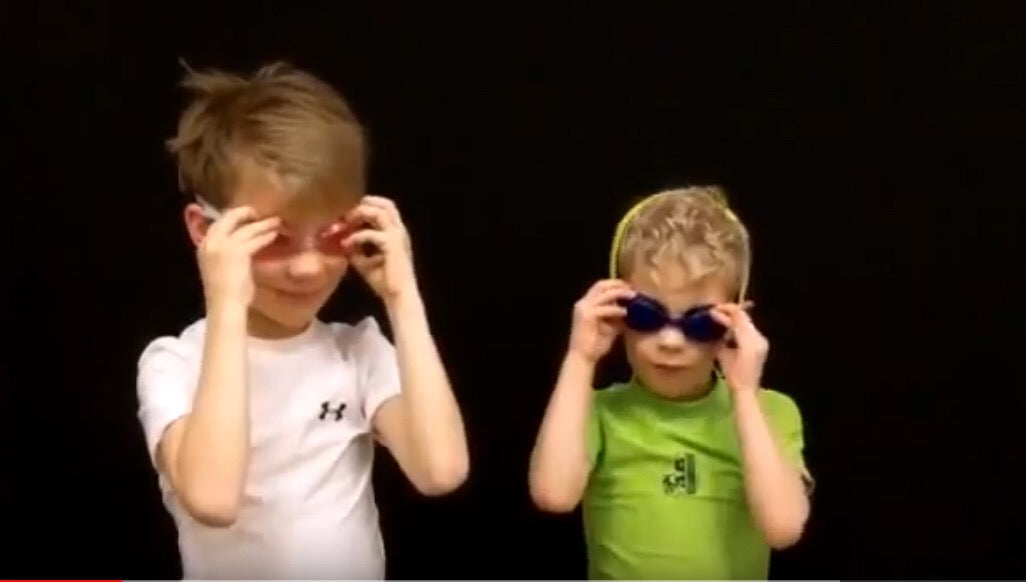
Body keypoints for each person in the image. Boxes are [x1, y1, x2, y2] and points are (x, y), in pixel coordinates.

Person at [135, 61, 469, 579]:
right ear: (206, 230)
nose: (309, 266)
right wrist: (225, 302)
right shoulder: (174, 364)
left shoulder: (357, 351)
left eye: (332, 235)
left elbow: (441, 470)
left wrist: (403, 298)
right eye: (275, 238)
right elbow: (213, 498)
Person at [528, 186, 813, 579]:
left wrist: (745, 394)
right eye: (646, 315)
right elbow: (553, 494)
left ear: (734, 321)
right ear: (616, 310)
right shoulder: (598, 414)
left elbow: (783, 528)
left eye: (699, 322)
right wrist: (580, 358)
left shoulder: (771, 412)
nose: (670, 340)